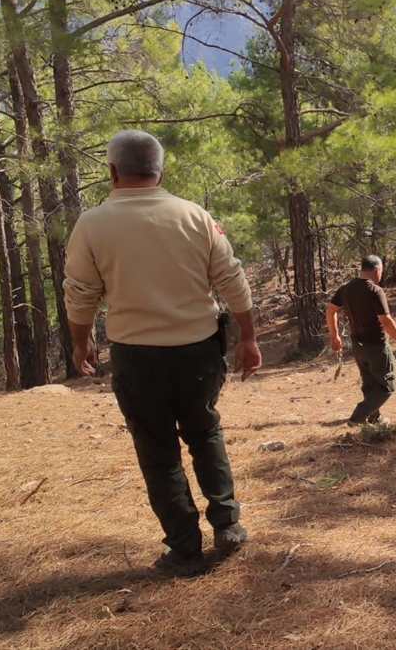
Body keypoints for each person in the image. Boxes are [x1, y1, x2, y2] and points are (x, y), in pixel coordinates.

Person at [64, 130, 261, 577]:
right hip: (199, 351)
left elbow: (80, 294)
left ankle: (184, 551)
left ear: (112, 172)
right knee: (205, 430)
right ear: (160, 172)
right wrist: (248, 336)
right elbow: (231, 278)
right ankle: (227, 525)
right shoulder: (194, 215)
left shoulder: (92, 224)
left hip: (138, 356)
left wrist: (81, 341)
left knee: (158, 452)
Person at [326, 256, 396, 426]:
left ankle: (375, 417)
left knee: (370, 384)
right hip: (376, 347)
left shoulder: (345, 289)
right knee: (387, 386)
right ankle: (358, 416)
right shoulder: (375, 291)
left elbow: (330, 311)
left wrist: (334, 335)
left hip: (358, 347)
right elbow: (385, 320)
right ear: (376, 271)